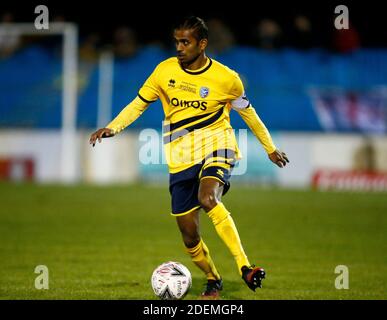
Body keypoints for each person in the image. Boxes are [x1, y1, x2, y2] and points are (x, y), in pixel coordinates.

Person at [89, 16, 289, 299]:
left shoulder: (226, 78)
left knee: (209, 198)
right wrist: (113, 127)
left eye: (186, 42)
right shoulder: (164, 71)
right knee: (189, 235)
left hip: (218, 146)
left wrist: (270, 148)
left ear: (202, 44)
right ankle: (213, 279)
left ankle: (245, 266)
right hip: (181, 158)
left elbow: (249, 115)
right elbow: (139, 104)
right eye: (177, 42)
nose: (179, 47)